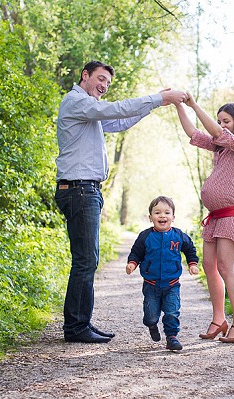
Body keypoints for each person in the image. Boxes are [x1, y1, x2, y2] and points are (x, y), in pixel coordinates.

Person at [55, 60, 188, 343]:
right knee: (85, 261)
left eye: (108, 83)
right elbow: (115, 109)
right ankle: (76, 328)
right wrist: (159, 97)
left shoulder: (89, 111)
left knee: (87, 260)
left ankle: (80, 324)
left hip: (86, 190)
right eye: (100, 79)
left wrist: (155, 104)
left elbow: (120, 120)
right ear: (85, 75)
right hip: (79, 190)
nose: (103, 86)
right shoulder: (77, 102)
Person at [174, 95, 234, 344]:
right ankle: (218, 319)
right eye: (219, 120)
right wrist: (179, 105)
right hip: (215, 216)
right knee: (209, 266)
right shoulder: (219, 147)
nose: (221, 125)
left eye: (226, 121)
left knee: (225, 267)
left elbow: (220, 135)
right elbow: (194, 133)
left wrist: (194, 105)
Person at [125, 196, 199, 351]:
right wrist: (132, 264)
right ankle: (152, 325)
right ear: (150, 217)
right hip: (151, 285)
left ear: (173, 217)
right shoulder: (145, 236)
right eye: (157, 213)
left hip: (172, 284)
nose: (162, 216)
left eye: (167, 212)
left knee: (172, 311)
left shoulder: (178, 235)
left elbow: (190, 249)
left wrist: (192, 264)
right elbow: (136, 253)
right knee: (151, 315)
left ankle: (172, 337)